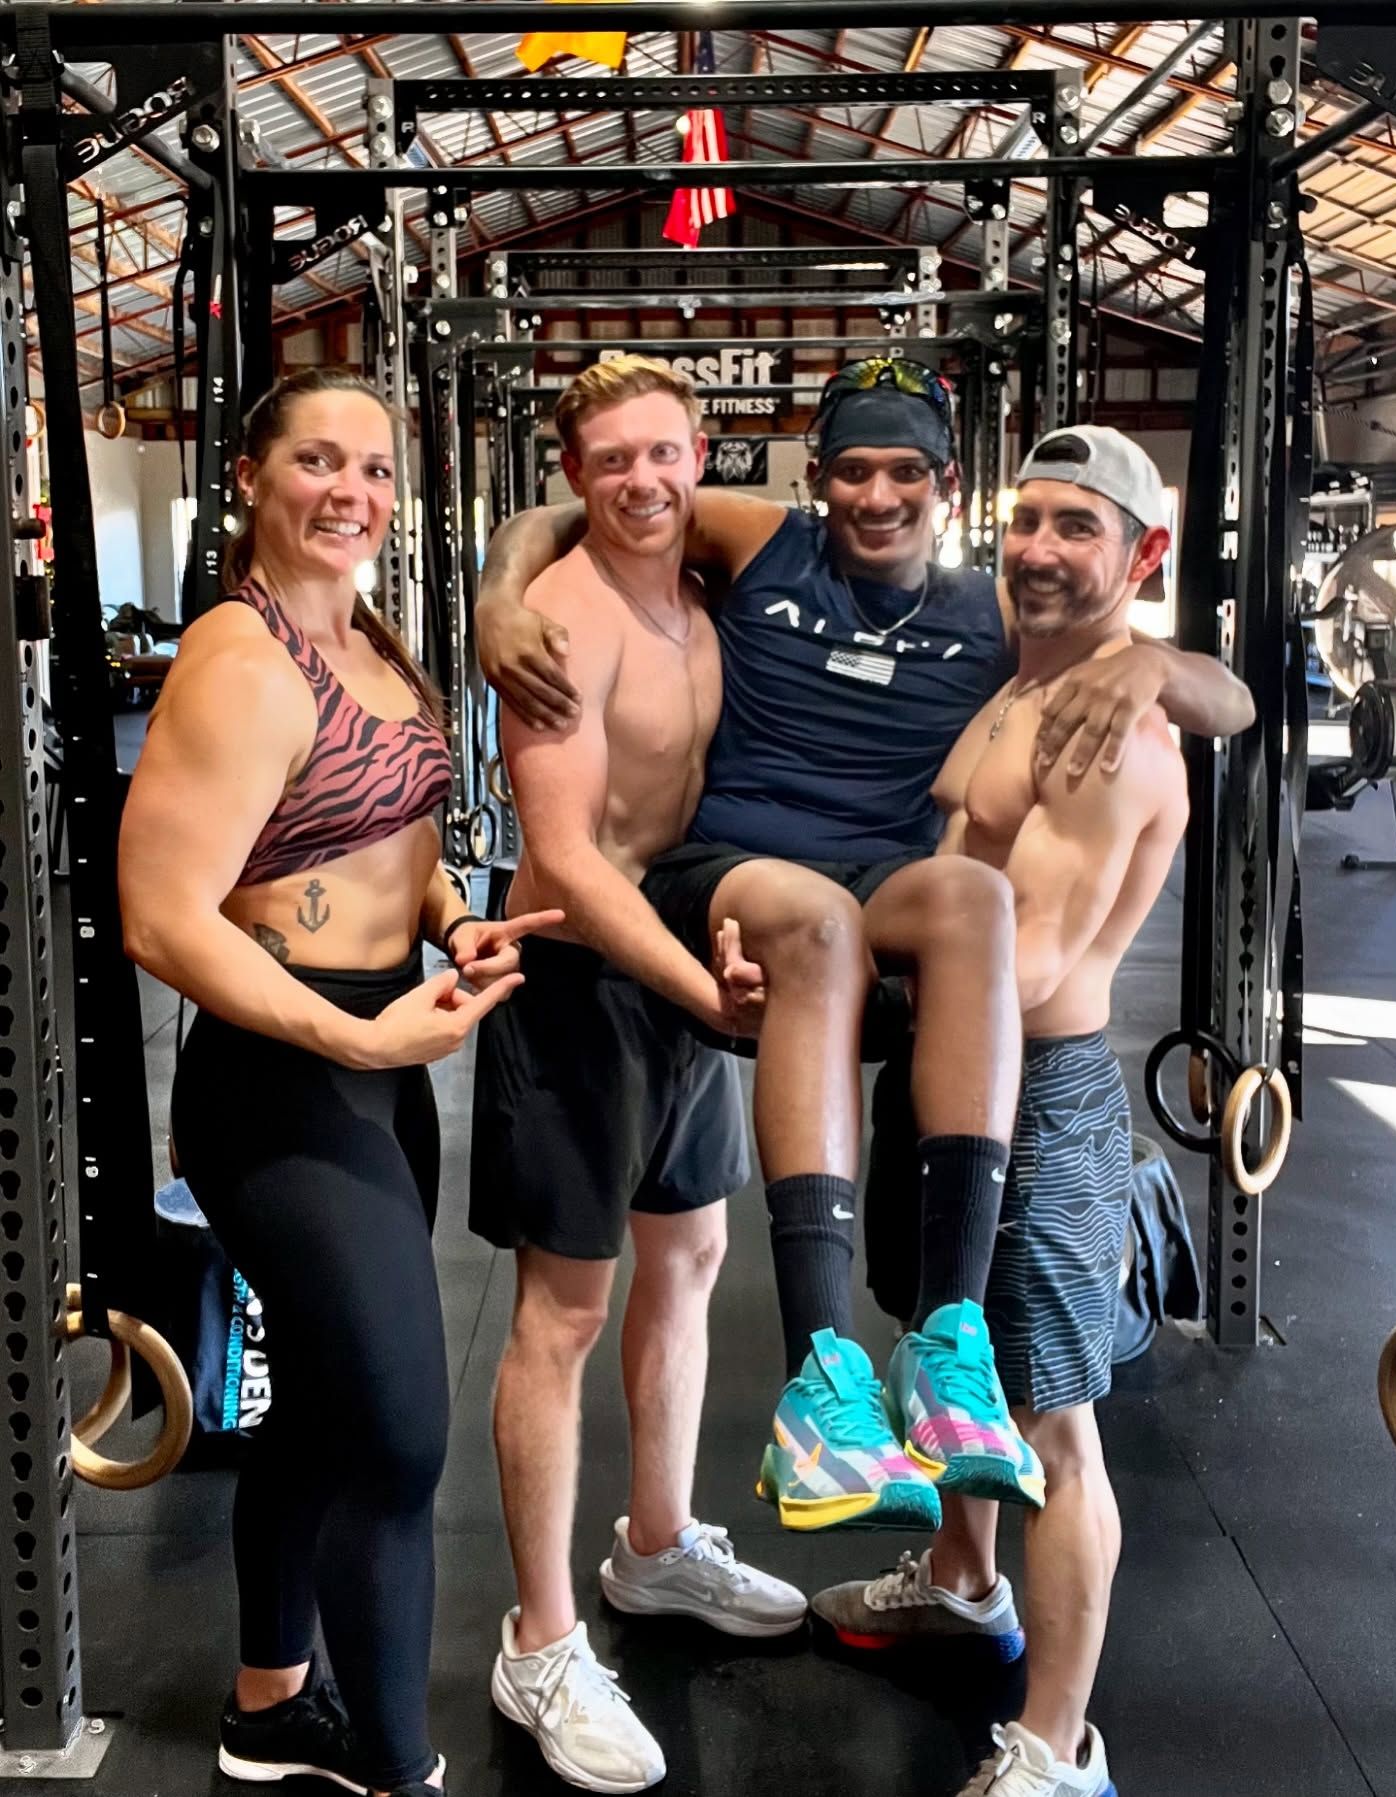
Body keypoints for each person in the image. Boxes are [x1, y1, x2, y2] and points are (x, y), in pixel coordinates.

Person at [476, 361, 1253, 1538]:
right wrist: (494, 596)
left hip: (874, 890)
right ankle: (822, 1377)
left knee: (969, 904)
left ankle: (947, 1343)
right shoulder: (763, 542)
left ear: (946, 487)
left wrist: (1152, 657)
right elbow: (574, 503)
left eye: (904, 472)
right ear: (816, 477)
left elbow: (1228, 699)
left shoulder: (988, 610)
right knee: (821, 927)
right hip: (727, 875)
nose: (875, 494)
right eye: (850, 469)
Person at [118, 369, 556, 1797]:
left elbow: (401, 846)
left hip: (383, 1055)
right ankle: (400, 1769)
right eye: (319, 461)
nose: (353, 494)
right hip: (285, 1079)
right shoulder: (238, 662)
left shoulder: (371, 639)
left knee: (323, 1400)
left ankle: (267, 1707)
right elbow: (163, 917)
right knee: (397, 1438)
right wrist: (358, 1037)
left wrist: (450, 919)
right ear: (249, 475)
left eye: (373, 470)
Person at [810, 426, 1194, 1797]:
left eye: (1075, 528)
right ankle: (967, 1578)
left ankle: (1056, 1744)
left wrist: (819, 961)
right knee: (943, 1352)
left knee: (1052, 1419)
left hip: (1034, 1099)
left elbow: (1019, 973)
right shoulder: (1020, 689)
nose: (1037, 549)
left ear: (1142, 554)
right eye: (1025, 520)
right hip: (946, 1085)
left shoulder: (1108, 735)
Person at [474, 356, 805, 1797]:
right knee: (567, 1304)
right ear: (574, 471)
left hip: (684, 961)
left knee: (693, 1255)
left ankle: (656, 1547)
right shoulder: (559, 623)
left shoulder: (712, 576)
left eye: (664, 453)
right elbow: (557, 861)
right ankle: (540, 1639)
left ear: (702, 452)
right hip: (580, 975)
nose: (644, 482)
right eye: (609, 460)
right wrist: (710, 1001)